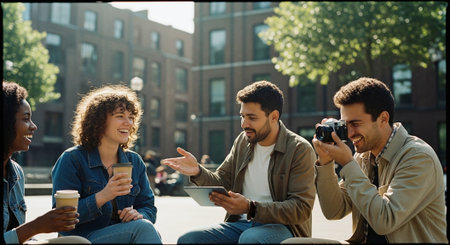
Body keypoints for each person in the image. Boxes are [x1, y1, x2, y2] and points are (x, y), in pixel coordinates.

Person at [283, 77, 447, 244]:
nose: (350, 133)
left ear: (383, 119)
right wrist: (325, 162)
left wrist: (348, 164)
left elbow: (385, 221)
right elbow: (334, 211)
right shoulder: (363, 157)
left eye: (355, 123)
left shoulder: (418, 157)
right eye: (345, 125)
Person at [162, 80, 317, 244]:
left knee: (250, 239)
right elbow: (222, 181)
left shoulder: (300, 150)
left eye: (252, 117)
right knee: (189, 240)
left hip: (284, 228)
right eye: (242, 116)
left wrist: (251, 208)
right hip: (241, 224)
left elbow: (301, 208)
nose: (244, 124)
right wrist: (198, 172)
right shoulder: (243, 141)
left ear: (274, 117)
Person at [51, 85, 162, 244]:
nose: (128, 123)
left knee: (145, 227)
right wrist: (103, 196)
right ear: (99, 120)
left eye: (131, 117)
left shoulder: (134, 161)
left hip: (125, 233)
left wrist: (139, 215)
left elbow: (148, 207)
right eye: (120, 116)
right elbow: (62, 219)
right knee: (143, 229)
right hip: (81, 238)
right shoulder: (72, 159)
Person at [2, 81, 90, 244]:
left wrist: (44, 228)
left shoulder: (16, 173)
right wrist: (35, 227)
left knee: (77, 242)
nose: (33, 126)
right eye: (26, 119)